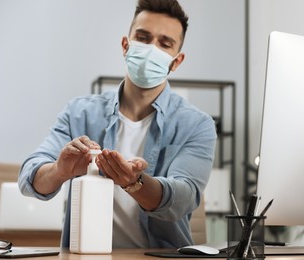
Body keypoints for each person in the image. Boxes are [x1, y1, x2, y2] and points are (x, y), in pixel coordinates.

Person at [18, 0, 216, 249]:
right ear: (126, 45)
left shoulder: (197, 124)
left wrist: (136, 183)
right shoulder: (80, 113)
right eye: (143, 38)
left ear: (176, 62)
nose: (151, 49)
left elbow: (183, 198)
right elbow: (29, 176)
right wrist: (60, 170)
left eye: (165, 43)